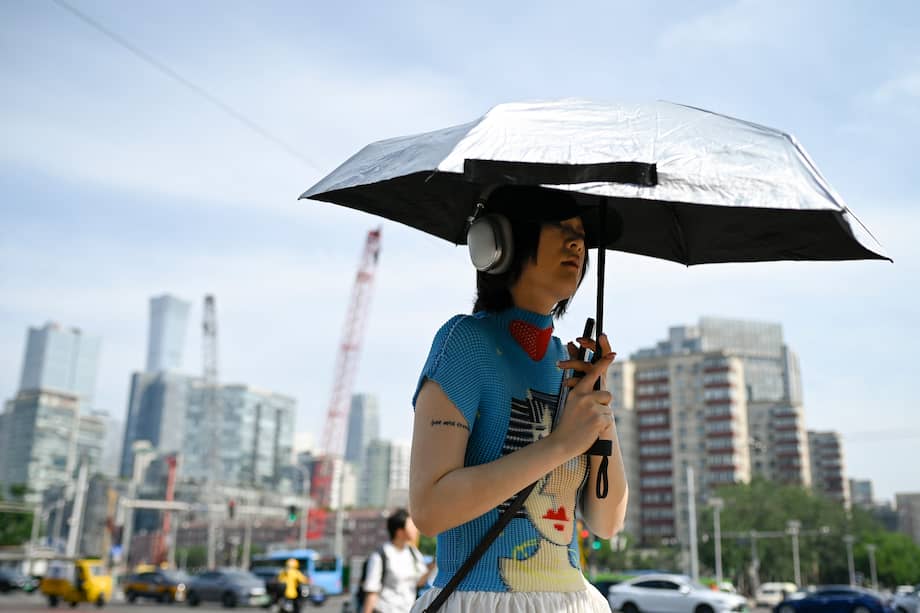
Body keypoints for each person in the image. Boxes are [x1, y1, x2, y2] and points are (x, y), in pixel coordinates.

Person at [409, 185, 629, 612]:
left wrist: (599, 413)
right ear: (497, 241)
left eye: (582, 235)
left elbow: (607, 522)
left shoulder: (570, 365)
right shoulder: (463, 343)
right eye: (561, 228)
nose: (577, 244)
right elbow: (430, 508)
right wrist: (561, 444)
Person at [361, 509, 434, 613]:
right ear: (400, 531)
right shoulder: (381, 555)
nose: (416, 529)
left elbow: (419, 582)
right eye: (411, 526)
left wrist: (433, 565)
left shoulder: (413, 552)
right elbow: (372, 592)